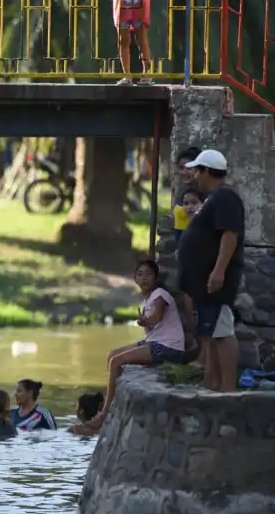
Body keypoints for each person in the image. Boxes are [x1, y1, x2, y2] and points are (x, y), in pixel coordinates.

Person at [88, 260, 184, 428]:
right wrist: (146, 321)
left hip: (168, 347)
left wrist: (146, 320)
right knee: (112, 355)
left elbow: (158, 315)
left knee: (116, 361)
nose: (144, 278)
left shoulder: (159, 294)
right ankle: (113, 404)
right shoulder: (149, 298)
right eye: (140, 274)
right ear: (135, 278)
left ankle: (104, 414)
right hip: (154, 342)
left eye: (148, 274)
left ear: (155, 278)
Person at [178, 149, 243, 392]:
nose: (193, 174)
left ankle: (227, 388)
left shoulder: (226, 197)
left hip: (216, 280)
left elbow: (230, 234)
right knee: (211, 331)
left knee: (222, 331)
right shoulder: (214, 197)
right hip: (203, 281)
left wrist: (218, 271)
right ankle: (212, 381)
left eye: (197, 169)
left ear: (207, 171)